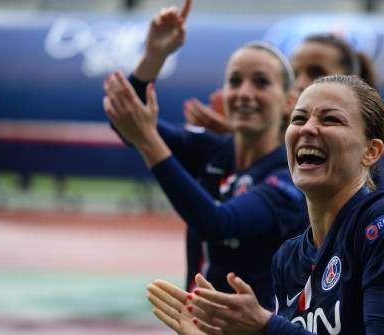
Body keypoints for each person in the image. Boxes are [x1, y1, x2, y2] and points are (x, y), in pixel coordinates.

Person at [147, 75, 384, 335]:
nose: (308, 128)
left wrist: (266, 326)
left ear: (371, 151)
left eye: (331, 120)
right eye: (299, 119)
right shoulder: (289, 257)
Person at [102, 0, 307, 310]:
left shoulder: (290, 175)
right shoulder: (213, 150)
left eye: (261, 82)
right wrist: (154, 56)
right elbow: (126, 122)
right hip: (197, 325)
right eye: (235, 81)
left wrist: (147, 140)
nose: (244, 92)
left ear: (288, 102)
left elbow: (217, 224)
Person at [185, 33, 384, 187]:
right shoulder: (266, 138)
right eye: (294, 72)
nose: (300, 83)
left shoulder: (360, 160)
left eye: (316, 72)